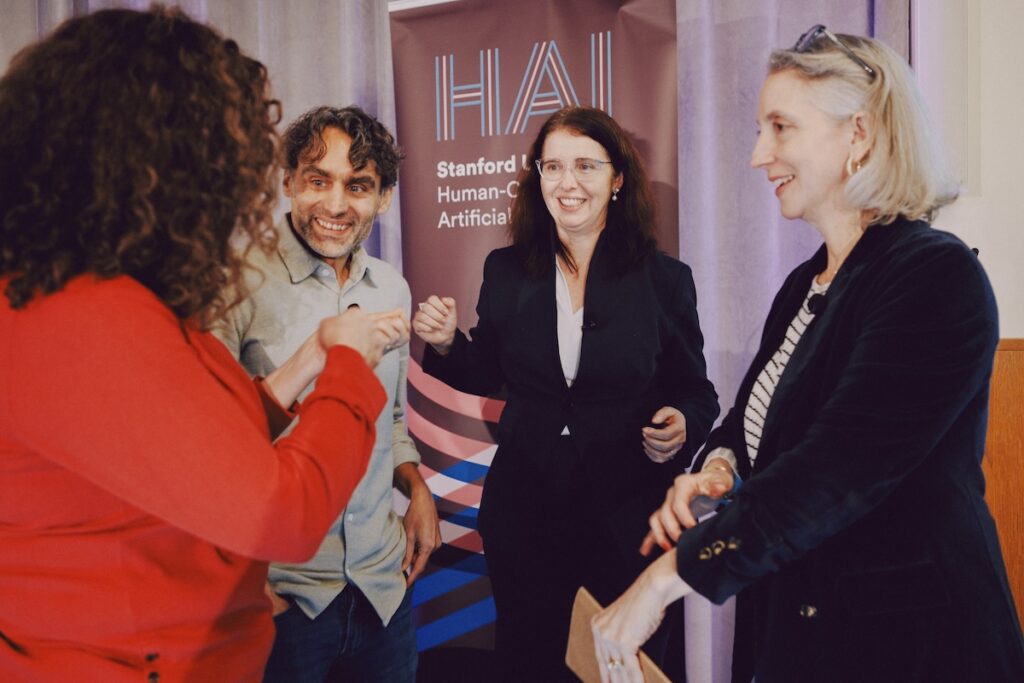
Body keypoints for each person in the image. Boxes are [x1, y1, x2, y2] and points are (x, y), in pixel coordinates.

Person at [591, 25, 1024, 683]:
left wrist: (664, 579)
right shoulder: (806, 282)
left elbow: (836, 467)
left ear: (860, 135)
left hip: (909, 646)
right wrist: (721, 467)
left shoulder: (936, 276)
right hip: (804, 626)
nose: (757, 155)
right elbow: (752, 421)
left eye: (781, 128)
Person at [0, 8, 409, 682]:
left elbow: (197, 440)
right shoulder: (73, 318)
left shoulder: (102, 295)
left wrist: (313, 357)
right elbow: (281, 514)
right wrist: (347, 366)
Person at [414, 106, 719, 680]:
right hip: (524, 514)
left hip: (627, 518)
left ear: (617, 178)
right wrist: (448, 343)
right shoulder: (506, 269)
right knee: (530, 663)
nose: (566, 182)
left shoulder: (664, 279)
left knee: (620, 668)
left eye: (585, 165)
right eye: (552, 166)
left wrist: (682, 421)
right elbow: (484, 373)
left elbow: (697, 392)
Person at [214, 105, 439, 683]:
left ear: (383, 198)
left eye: (357, 186)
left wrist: (415, 488)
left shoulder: (392, 287)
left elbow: (390, 419)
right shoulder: (233, 282)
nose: (336, 205)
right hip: (282, 602)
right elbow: (206, 450)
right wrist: (244, 584)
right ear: (288, 181)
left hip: (384, 592)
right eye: (319, 181)